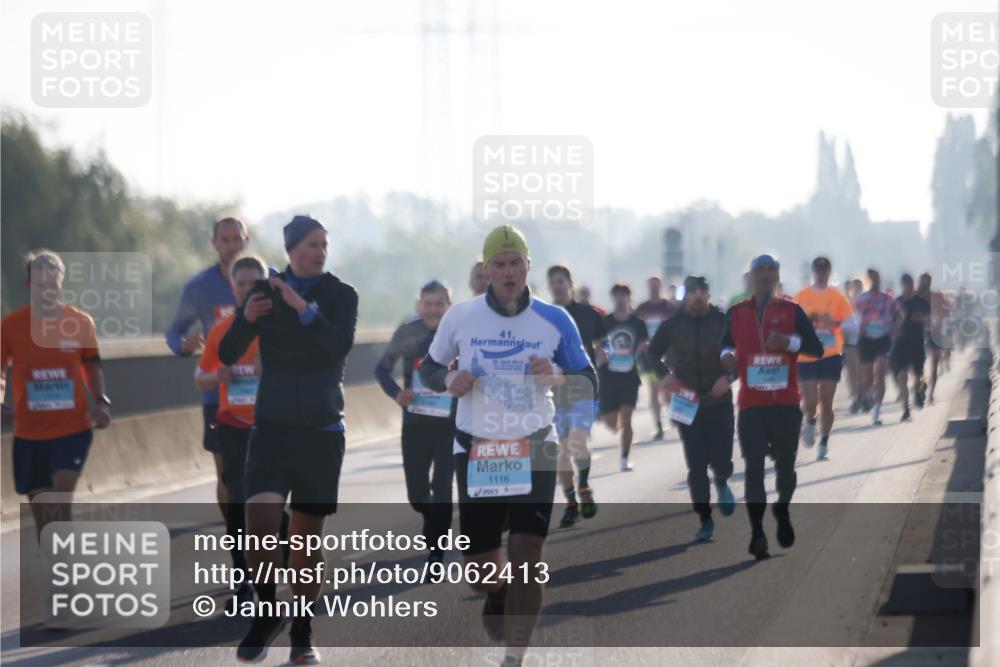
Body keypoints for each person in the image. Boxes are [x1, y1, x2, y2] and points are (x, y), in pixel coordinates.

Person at [419, 225, 594, 666]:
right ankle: (497, 592)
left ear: (528, 266)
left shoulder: (556, 319)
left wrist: (557, 376)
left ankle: (515, 656)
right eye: (499, 264)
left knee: (526, 554)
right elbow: (427, 368)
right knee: (480, 571)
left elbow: (588, 380)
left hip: (535, 446)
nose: (509, 272)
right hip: (478, 450)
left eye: (516, 263)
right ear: (487, 269)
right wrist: (448, 378)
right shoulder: (461, 316)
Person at [220, 215, 358, 665]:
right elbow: (227, 352)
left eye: (324, 244)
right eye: (312, 244)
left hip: (321, 431)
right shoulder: (263, 294)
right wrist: (245, 319)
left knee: (304, 543)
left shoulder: (341, 294)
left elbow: (338, 346)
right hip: (272, 428)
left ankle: (303, 629)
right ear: (292, 249)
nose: (320, 251)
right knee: (258, 520)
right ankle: (267, 610)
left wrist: (302, 306)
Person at [1, 250, 112, 539]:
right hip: (29, 434)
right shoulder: (11, 325)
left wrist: (100, 402)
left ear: (61, 283)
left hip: (72, 430)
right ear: (28, 284)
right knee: (44, 517)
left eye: (53, 284)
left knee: (59, 499)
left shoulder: (80, 322)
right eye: (40, 285)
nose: (47, 291)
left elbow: (91, 365)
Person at [721, 255, 822, 560]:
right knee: (753, 468)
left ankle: (782, 508)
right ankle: (757, 534)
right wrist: (726, 356)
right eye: (759, 271)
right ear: (750, 277)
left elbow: (816, 348)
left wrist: (789, 343)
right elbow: (725, 344)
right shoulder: (736, 312)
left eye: (771, 270)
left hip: (785, 404)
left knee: (785, 469)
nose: (765, 275)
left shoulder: (792, 310)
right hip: (751, 405)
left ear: (777, 276)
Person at [196, 254, 272, 607]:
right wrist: (217, 376)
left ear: (264, 285)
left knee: (271, 505)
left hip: (273, 426)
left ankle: (278, 564)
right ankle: (243, 578)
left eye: (252, 283)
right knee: (238, 504)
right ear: (232, 287)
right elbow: (201, 377)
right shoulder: (222, 329)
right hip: (233, 426)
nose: (246, 290)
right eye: (240, 284)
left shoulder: (279, 327)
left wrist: (271, 367)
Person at [165, 217, 247, 528]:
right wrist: (183, 345)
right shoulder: (200, 287)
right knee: (226, 474)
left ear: (247, 240)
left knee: (266, 472)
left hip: (263, 394)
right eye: (225, 240)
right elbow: (174, 333)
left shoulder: (267, 278)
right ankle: (237, 537)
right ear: (214, 244)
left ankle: (264, 534)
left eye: (237, 239)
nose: (232, 246)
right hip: (218, 395)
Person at [647, 276, 736, 542]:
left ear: (708, 295)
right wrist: (665, 377)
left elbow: (745, 353)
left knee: (722, 460)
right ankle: (705, 519)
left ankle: (722, 480)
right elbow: (651, 355)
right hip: (686, 402)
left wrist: (729, 377)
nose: (697, 296)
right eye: (693, 292)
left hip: (719, 400)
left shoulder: (723, 321)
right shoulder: (672, 325)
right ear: (685, 296)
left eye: (702, 292)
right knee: (696, 464)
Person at [374, 280, 456, 566]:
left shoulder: (457, 332)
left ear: (449, 306)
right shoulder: (408, 331)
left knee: (442, 486)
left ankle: (436, 551)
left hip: (449, 424)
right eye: (428, 304)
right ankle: (432, 519)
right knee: (417, 494)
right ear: (419, 305)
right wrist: (398, 394)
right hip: (415, 423)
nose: (433, 310)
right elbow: (382, 369)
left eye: (439, 305)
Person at [546, 264, 607, 528]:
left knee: (578, 443)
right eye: (553, 282)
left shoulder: (588, 314)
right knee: (561, 450)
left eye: (561, 281)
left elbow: (604, 343)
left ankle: (583, 486)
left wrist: (604, 353)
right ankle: (571, 502)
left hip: (583, 388)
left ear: (570, 283)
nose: (557, 286)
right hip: (555, 391)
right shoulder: (545, 316)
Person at [794, 257, 855, 461]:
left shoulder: (837, 297)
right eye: (818, 270)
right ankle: (810, 421)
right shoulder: (801, 296)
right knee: (811, 401)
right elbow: (791, 322)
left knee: (827, 401)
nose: (821, 273)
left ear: (829, 271)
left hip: (830, 355)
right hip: (807, 355)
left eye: (824, 270)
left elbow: (852, 326)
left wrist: (834, 322)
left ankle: (824, 442)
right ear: (813, 271)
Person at [600, 284, 649, 471]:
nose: (620, 299)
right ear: (613, 298)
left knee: (627, 418)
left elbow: (644, 344)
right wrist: (601, 351)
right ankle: (613, 420)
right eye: (617, 296)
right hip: (608, 376)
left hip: (629, 376)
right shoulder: (605, 322)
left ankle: (625, 457)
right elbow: (598, 343)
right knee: (611, 423)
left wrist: (645, 349)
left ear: (629, 298)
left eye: (623, 296)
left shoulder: (638, 323)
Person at [853, 269, 899, 426]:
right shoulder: (861, 299)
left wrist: (895, 329)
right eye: (872, 279)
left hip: (883, 339)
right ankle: (867, 395)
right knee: (868, 378)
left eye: (877, 278)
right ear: (868, 281)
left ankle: (877, 411)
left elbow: (897, 315)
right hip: (866, 339)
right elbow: (852, 317)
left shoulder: (888, 298)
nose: (875, 282)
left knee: (880, 374)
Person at [634, 275, 678, 440]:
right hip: (650, 357)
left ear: (660, 286)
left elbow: (677, 328)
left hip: (668, 356)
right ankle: (658, 425)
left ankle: (673, 414)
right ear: (648, 287)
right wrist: (642, 344)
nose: (653, 288)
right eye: (651, 285)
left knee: (667, 389)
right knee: (653, 390)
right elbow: (636, 330)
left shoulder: (669, 307)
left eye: (656, 285)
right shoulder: (642, 308)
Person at [890, 274, 930, 422]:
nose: (908, 288)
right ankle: (906, 408)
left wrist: (921, 318)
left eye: (910, 285)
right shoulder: (897, 302)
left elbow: (930, 320)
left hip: (917, 343)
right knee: (902, 376)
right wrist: (896, 324)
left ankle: (919, 389)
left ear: (913, 285)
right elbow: (890, 321)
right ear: (902, 286)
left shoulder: (921, 302)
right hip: (900, 344)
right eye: (905, 285)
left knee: (918, 375)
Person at [919, 272, 950, 404]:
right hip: (918, 335)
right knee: (918, 366)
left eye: (927, 281)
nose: (925, 283)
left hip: (936, 335)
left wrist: (937, 325)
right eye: (923, 281)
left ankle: (931, 394)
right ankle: (922, 383)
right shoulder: (915, 296)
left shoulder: (938, 296)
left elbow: (946, 312)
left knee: (934, 365)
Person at [844, 278, 864, 413]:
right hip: (849, 339)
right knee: (852, 370)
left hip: (863, 340)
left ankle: (862, 395)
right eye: (854, 287)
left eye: (859, 287)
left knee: (861, 369)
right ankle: (855, 397)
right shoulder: (846, 303)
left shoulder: (866, 303)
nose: (856, 290)